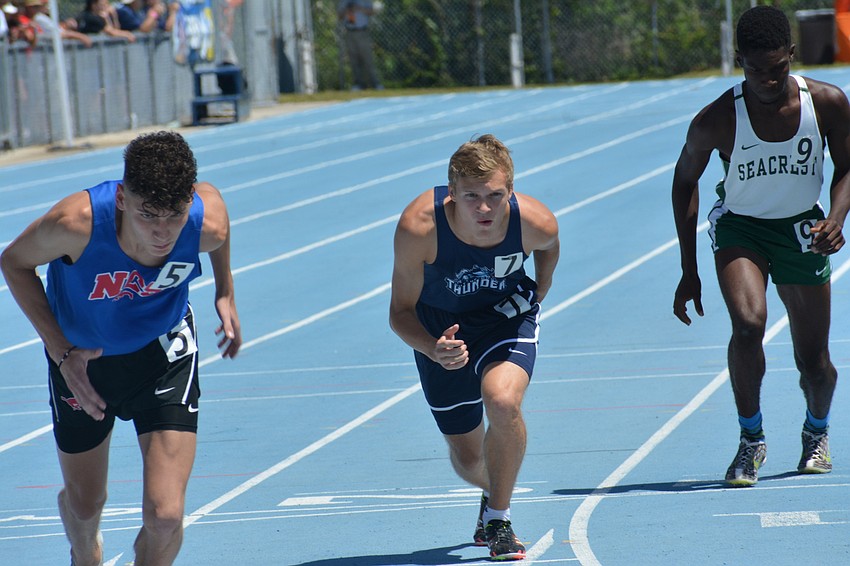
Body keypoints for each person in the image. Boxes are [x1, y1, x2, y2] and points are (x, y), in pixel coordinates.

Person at [0, 130, 242, 565]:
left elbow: (218, 226)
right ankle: (84, 550)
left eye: (174, 215)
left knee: (166, 515)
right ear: (124, 199)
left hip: (164, 353)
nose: (163, 232)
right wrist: (61, 353)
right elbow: (13, 263)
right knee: (85, 503)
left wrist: (224, 291)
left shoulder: (204, 223)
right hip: (83, 363)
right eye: (149, 216)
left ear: (189, 199)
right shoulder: (76, 224)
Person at [672, 5, 850, 487]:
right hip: (741, 230)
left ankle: (816, 432)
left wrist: (834, 219)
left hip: (802, 231)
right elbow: (684, 181)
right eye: (756, 72)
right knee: (748, 326)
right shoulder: (717, 119)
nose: (768, 82)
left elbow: (848, 165)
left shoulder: (828, 103)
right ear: (739, 61)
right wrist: (689, 269)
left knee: (815, 365)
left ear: (792, 55)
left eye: (778, 69)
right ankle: (751, 440)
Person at [389, 134, 560, 559]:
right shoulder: (419, 229)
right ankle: (491, 489)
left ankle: (499, 519)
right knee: (468, 460)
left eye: (495, 196)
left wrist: (540, 288)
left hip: (505, 317)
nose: (484, 208)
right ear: (451, 194)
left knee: (502, 401)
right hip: (440, 329)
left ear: (511, 191)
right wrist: (432, 348)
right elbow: (399, 313)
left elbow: (550, 248)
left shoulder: (535, 222)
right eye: (471, 197)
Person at [337, 0, 382, 90]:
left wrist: (359, 9)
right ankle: (359, 84)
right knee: (353, 60)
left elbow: (372, 11)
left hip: (362, 32)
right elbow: (339, 16)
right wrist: (347, 10)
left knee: (367, 59)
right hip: (350, 32)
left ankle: (375, 83)